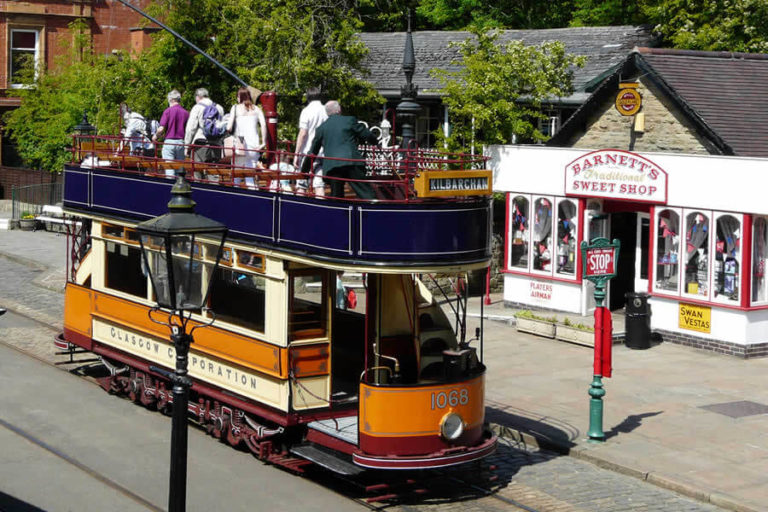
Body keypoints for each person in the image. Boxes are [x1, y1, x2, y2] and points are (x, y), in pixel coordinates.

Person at [301, 100, 377, 199]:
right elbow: (366, 134)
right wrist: (375, 142)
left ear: (327, 113)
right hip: (351, 162)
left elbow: (312, 152)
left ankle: (337, 212)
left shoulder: (321, 128)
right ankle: (374, 208)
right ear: (339, 110)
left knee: (336, 196)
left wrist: (304, 170)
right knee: (366, 193)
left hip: (333, 166)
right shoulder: (349, 120)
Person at [293, 86, 328, 197]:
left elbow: (303, 134)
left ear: (308, 97)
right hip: (322, 153)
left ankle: (299, 209)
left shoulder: (306, 111)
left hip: (308, 153)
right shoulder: (326, 110)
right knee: (319, 185)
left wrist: (296, 154)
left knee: (302, 184)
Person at [226, 86, 267, 172]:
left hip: (240, 146)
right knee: (250, 175)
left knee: (236, 174)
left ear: (240, 97)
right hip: (254, 147)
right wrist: (263, 143)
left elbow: (228, 127)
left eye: (237, 96)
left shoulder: (235, 108)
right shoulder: (257, 109)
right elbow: (263, 125)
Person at [184, 88, 225, 166]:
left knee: (198, 171)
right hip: (216, 144)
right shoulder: (219, 108)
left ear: (198, 96)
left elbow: (191, 128)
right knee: (212, 172)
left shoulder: (197, 107)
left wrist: (187, 146)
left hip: (201, 143)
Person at [153, 89, 189, 165]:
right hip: (181, 143)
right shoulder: (186, 113)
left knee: (170, 169)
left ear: (171, 100)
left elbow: (161, 129)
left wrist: (155, 136)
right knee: (180, 168)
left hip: (169, 142)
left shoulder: (168, 111)